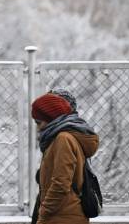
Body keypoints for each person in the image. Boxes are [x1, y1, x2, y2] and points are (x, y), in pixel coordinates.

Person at [31, 92, 99, 224]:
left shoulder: (63, 139)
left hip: (62, 216)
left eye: (39, 122)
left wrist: (44, 213)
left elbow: (60, 184)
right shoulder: (59, 138)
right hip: (63, 214)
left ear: (52, 118)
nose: (38, 128)